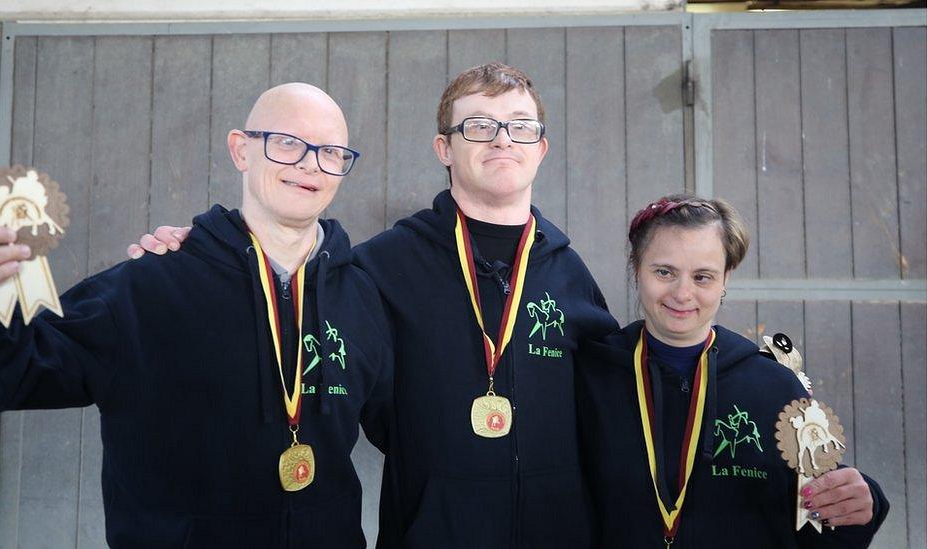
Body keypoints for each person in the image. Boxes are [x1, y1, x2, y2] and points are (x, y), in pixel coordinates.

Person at [130, 63, 621, 548]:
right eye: (479, 126)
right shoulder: (375, 268)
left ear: (540, 148)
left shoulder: (570, 273)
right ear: (444, 148)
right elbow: (277, 294)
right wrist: (205, 250)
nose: (502, 140)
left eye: (520, 126)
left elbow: (614, 405)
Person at [0, 83, 393, 548]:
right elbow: (10, 376)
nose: (309, 163)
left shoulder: (362, 296)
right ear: (242, 150)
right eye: (288, 142)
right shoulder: (145, 287)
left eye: (331, 152)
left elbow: (407, 424)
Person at [574, 194, 889, 547]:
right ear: (636, 269)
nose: (682, 293)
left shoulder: (776, 388)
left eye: (703, 277)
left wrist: (865, 502)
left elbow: (822, 520)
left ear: (726, 278)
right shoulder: (588, 376)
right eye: (664, 272)